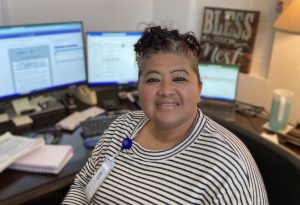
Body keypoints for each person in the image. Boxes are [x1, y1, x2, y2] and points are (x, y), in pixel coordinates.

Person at [62, 25, 268, 204]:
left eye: (179, 79)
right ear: (139, 89)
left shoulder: (229, 165)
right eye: (152, 80)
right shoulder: (120, 127)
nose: (166, 90)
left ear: (199, 89)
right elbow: (82, 186)